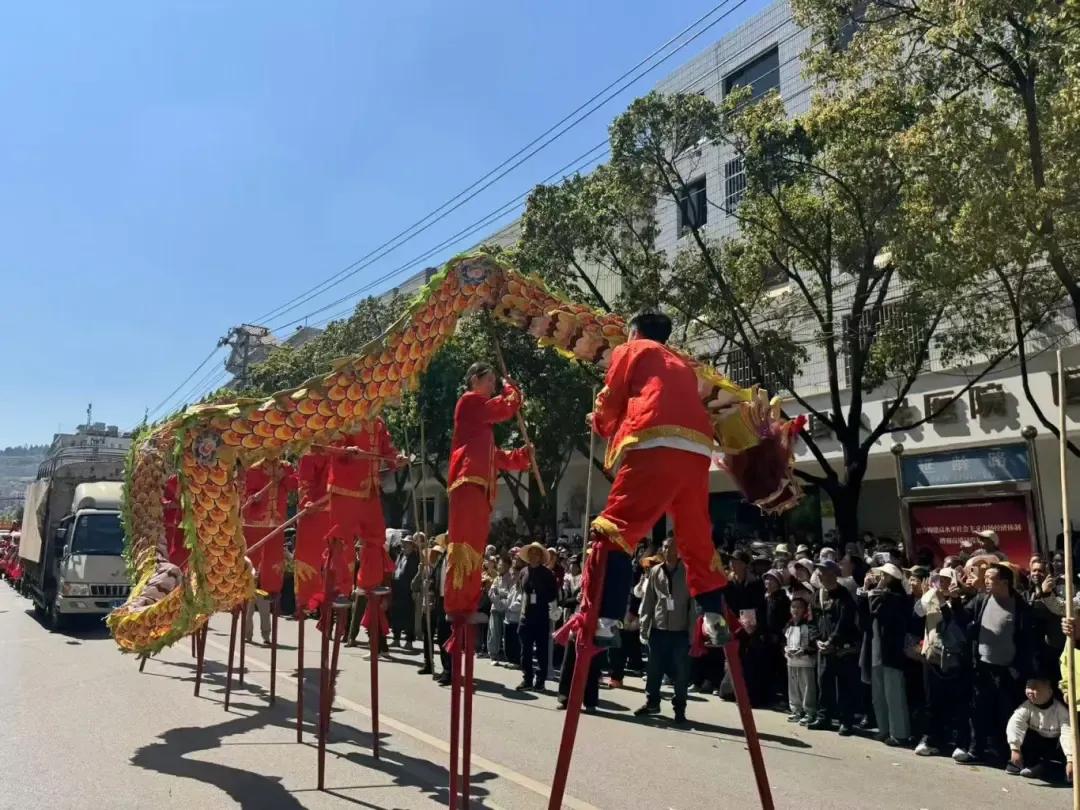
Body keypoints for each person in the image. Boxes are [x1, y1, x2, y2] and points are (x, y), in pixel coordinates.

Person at [581, 310, 729, 648]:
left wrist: (600, 421)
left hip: (655, 439)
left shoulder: (632, 350)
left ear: (634, 332)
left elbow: (612, 395)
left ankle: (606, 619)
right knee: (695, 535)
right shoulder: (681, 364)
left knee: (614, 529)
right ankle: (712, 615)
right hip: (696, 449)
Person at [444, 363, 533, 621]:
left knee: (475, 546)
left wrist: (521, 457)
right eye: (489, 380)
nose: (493, 385)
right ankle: (457, 601)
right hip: (467, 482)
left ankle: (467, 601)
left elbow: (496, 458)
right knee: (464, 545)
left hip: (480, 488)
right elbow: (503, 408)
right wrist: (511, 390)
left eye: (495, 381)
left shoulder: (481, 429)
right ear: (474, 379)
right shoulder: (470, 402)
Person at [955, 563, 1033, 766]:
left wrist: (1017, 670)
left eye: (990, 578)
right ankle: (975, 751)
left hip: (1007, 671)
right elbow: (963, 617)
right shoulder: (982, 599)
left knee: (1007, 715)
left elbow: (1027, 641)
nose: (985, 581)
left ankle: (1011, 756)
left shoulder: (1020, 606)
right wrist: (954, 600)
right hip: (982, 667)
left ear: (1004, 582)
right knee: (979, 711)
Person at [634, 535, 695, 724]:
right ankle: (652, 702)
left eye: (672, 547)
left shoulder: (686, 572)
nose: (668, 550)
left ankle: (680, 708)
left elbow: (692, 605)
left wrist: (693, 632)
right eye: (665, 547)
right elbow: (648, 601)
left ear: (679, 551)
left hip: (680, 630)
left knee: (680, 672)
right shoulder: (655, 572)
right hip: (658, 629)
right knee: (653, 669)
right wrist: (644, 626)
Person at [914, 567, 971, 758]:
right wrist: (930, 593)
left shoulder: (961, 601)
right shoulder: (931, 599)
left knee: (958, 704)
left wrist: (951, 599)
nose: (943, 583)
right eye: (939, 579)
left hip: (955, 661)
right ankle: (930, 739)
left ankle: (961, 744)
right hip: (933, 658)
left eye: (947, 579)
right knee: (932, 703)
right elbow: (917, 613)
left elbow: (956, 623)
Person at [861, 563, 913, 745]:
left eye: (883, 575)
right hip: (875, 650)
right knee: (878, 696)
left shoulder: (896, 598)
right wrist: (868, 590)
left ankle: (899, 733)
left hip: (891, 653)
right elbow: (865, 615)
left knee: (894, 695)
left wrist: (873, 591)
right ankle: (884, 729)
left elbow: (876, 609)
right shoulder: (879, 594)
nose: (879, 578)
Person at [808, 560, 860, 735]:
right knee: (824, 684)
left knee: (844, 687)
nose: (819, 574)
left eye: (823, 571)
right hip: (823, 648)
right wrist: (816, 641)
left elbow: (844, 623)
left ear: (832, 574)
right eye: (819, 571)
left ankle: (846, 722)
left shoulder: (844, 596)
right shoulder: (817, 595)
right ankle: (824, 718)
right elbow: (812, 621)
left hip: (841, 649)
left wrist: (831, 642)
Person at [1005, 676, 1073, 780]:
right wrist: (1015, 749)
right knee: (1024, 737)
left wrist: (1070, 759)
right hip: (1039, 741)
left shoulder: (1060, 710)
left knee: (1062, 757)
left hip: (1056, 744)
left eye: (1035, 688)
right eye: (1028, 688)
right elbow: (1015, 724)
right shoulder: (1026, 706)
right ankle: (1023, 764)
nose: (1030, 692)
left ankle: (1055, 770)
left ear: (1049, 692)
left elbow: (1067, 734)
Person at [516, 543, 558, 692]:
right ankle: (527, 678)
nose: (533, 556)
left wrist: (552, 611)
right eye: (531, 553)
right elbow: (520, 591)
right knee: (525, 651)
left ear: (541, 556)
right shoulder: (523, 572)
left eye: (536, 553)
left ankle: (540, 681)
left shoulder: (548, 574)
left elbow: (553, 595)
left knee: (541, 651)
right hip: (525, 617)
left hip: (541, 617)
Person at [785, 596, 819, 725]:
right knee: (793, 688)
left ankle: (809, 712)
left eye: (799, 607)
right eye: (793, 606)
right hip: (791, 661)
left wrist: (804, 651)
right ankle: (796, 710)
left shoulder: (809, 625)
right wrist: (786, 650)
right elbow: (785, 640)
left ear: (804, 609)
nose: (796, 610)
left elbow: (814, 643)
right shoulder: (789, 624)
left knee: (807, 688)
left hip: (806, 662)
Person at [390, 535, 420, 649]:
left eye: (408, 544)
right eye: (404, 543)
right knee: (396, 614)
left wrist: (415, 590)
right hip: (398, 589)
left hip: (408, 590)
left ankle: (409, 641)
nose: (405, 546)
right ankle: (396, 638)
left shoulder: (415, 558)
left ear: (412, 546)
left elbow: (416, 575)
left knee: (409, 616)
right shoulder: (400, 555)